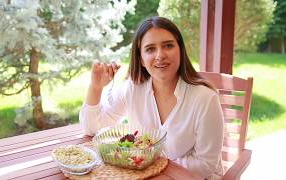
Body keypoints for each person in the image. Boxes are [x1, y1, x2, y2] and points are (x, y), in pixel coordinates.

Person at [80, 16, 224, 179]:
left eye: (168, 45)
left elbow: (205, 165)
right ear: (141, 59)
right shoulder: (133, 88)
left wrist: (153, 167)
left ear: (180, 51)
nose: (160, 55)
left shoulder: (205, 99)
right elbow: (93, 128)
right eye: (150, 49)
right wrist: (95, 88)